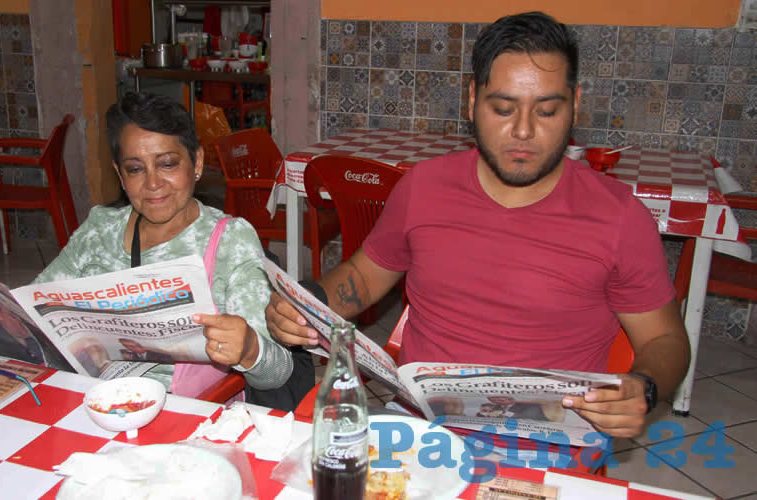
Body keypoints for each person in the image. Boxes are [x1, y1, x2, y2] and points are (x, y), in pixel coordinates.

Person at [265, 12, 690, 438]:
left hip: (549, 438)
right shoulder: (423, 188)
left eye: (546, 111)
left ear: (575, 105)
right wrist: (306, 304)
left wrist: (645, 388)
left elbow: (665, 340)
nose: (523, 131)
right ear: (472, 100)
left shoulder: (618, 217)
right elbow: (363, 275)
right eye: (503, 108)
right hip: (422, 426)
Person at [0, 91, 293, 399]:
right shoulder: (100, 229)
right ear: (120, 175)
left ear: (196, 162)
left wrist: (249, 350)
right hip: (90, 403)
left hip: (184, 415)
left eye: (167, 164)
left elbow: (278, 373)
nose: (153, 184)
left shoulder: (230, 239)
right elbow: (30, 319)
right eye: (135, 169)